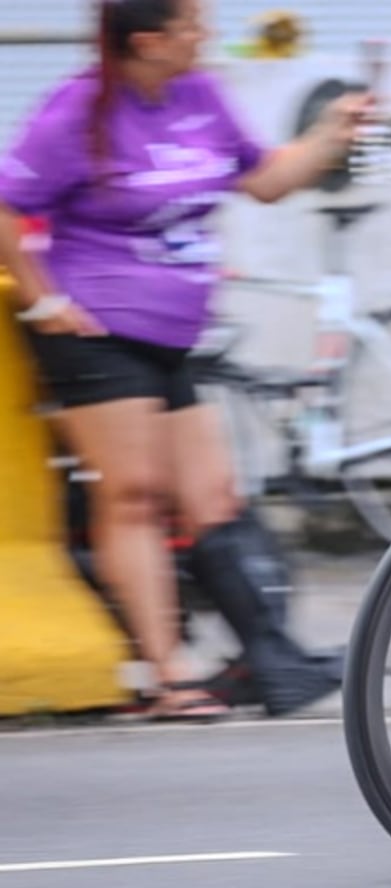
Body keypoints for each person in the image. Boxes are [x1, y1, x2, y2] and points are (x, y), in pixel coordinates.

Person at [0, 0, 358, 720]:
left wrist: (330, 135)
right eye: (192, 26)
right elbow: (7, 207)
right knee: (132, 495)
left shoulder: (198, 95)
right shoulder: (77, 112)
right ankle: (168, 676)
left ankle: (260, 659)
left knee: (214, 498)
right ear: (147, 41)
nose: (205, 36)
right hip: (97, 331)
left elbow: (263, 179)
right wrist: (41, 301)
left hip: (172, 333)